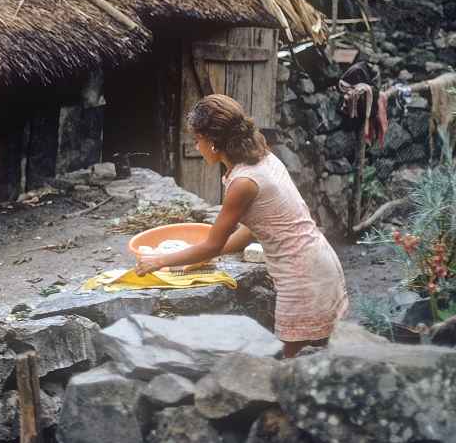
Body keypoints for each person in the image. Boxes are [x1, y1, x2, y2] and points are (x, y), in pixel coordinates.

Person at [135, 94, 349, 358]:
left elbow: (213, 244)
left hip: (302, 274)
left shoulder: (243, 182)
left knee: (289, 366)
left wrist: (158, 260)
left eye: (197, 139)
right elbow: (251, 231)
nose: (196, 146)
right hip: (319, 260)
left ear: (213, 143)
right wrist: (197, 257)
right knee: (319, 360)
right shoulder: (262, 157)